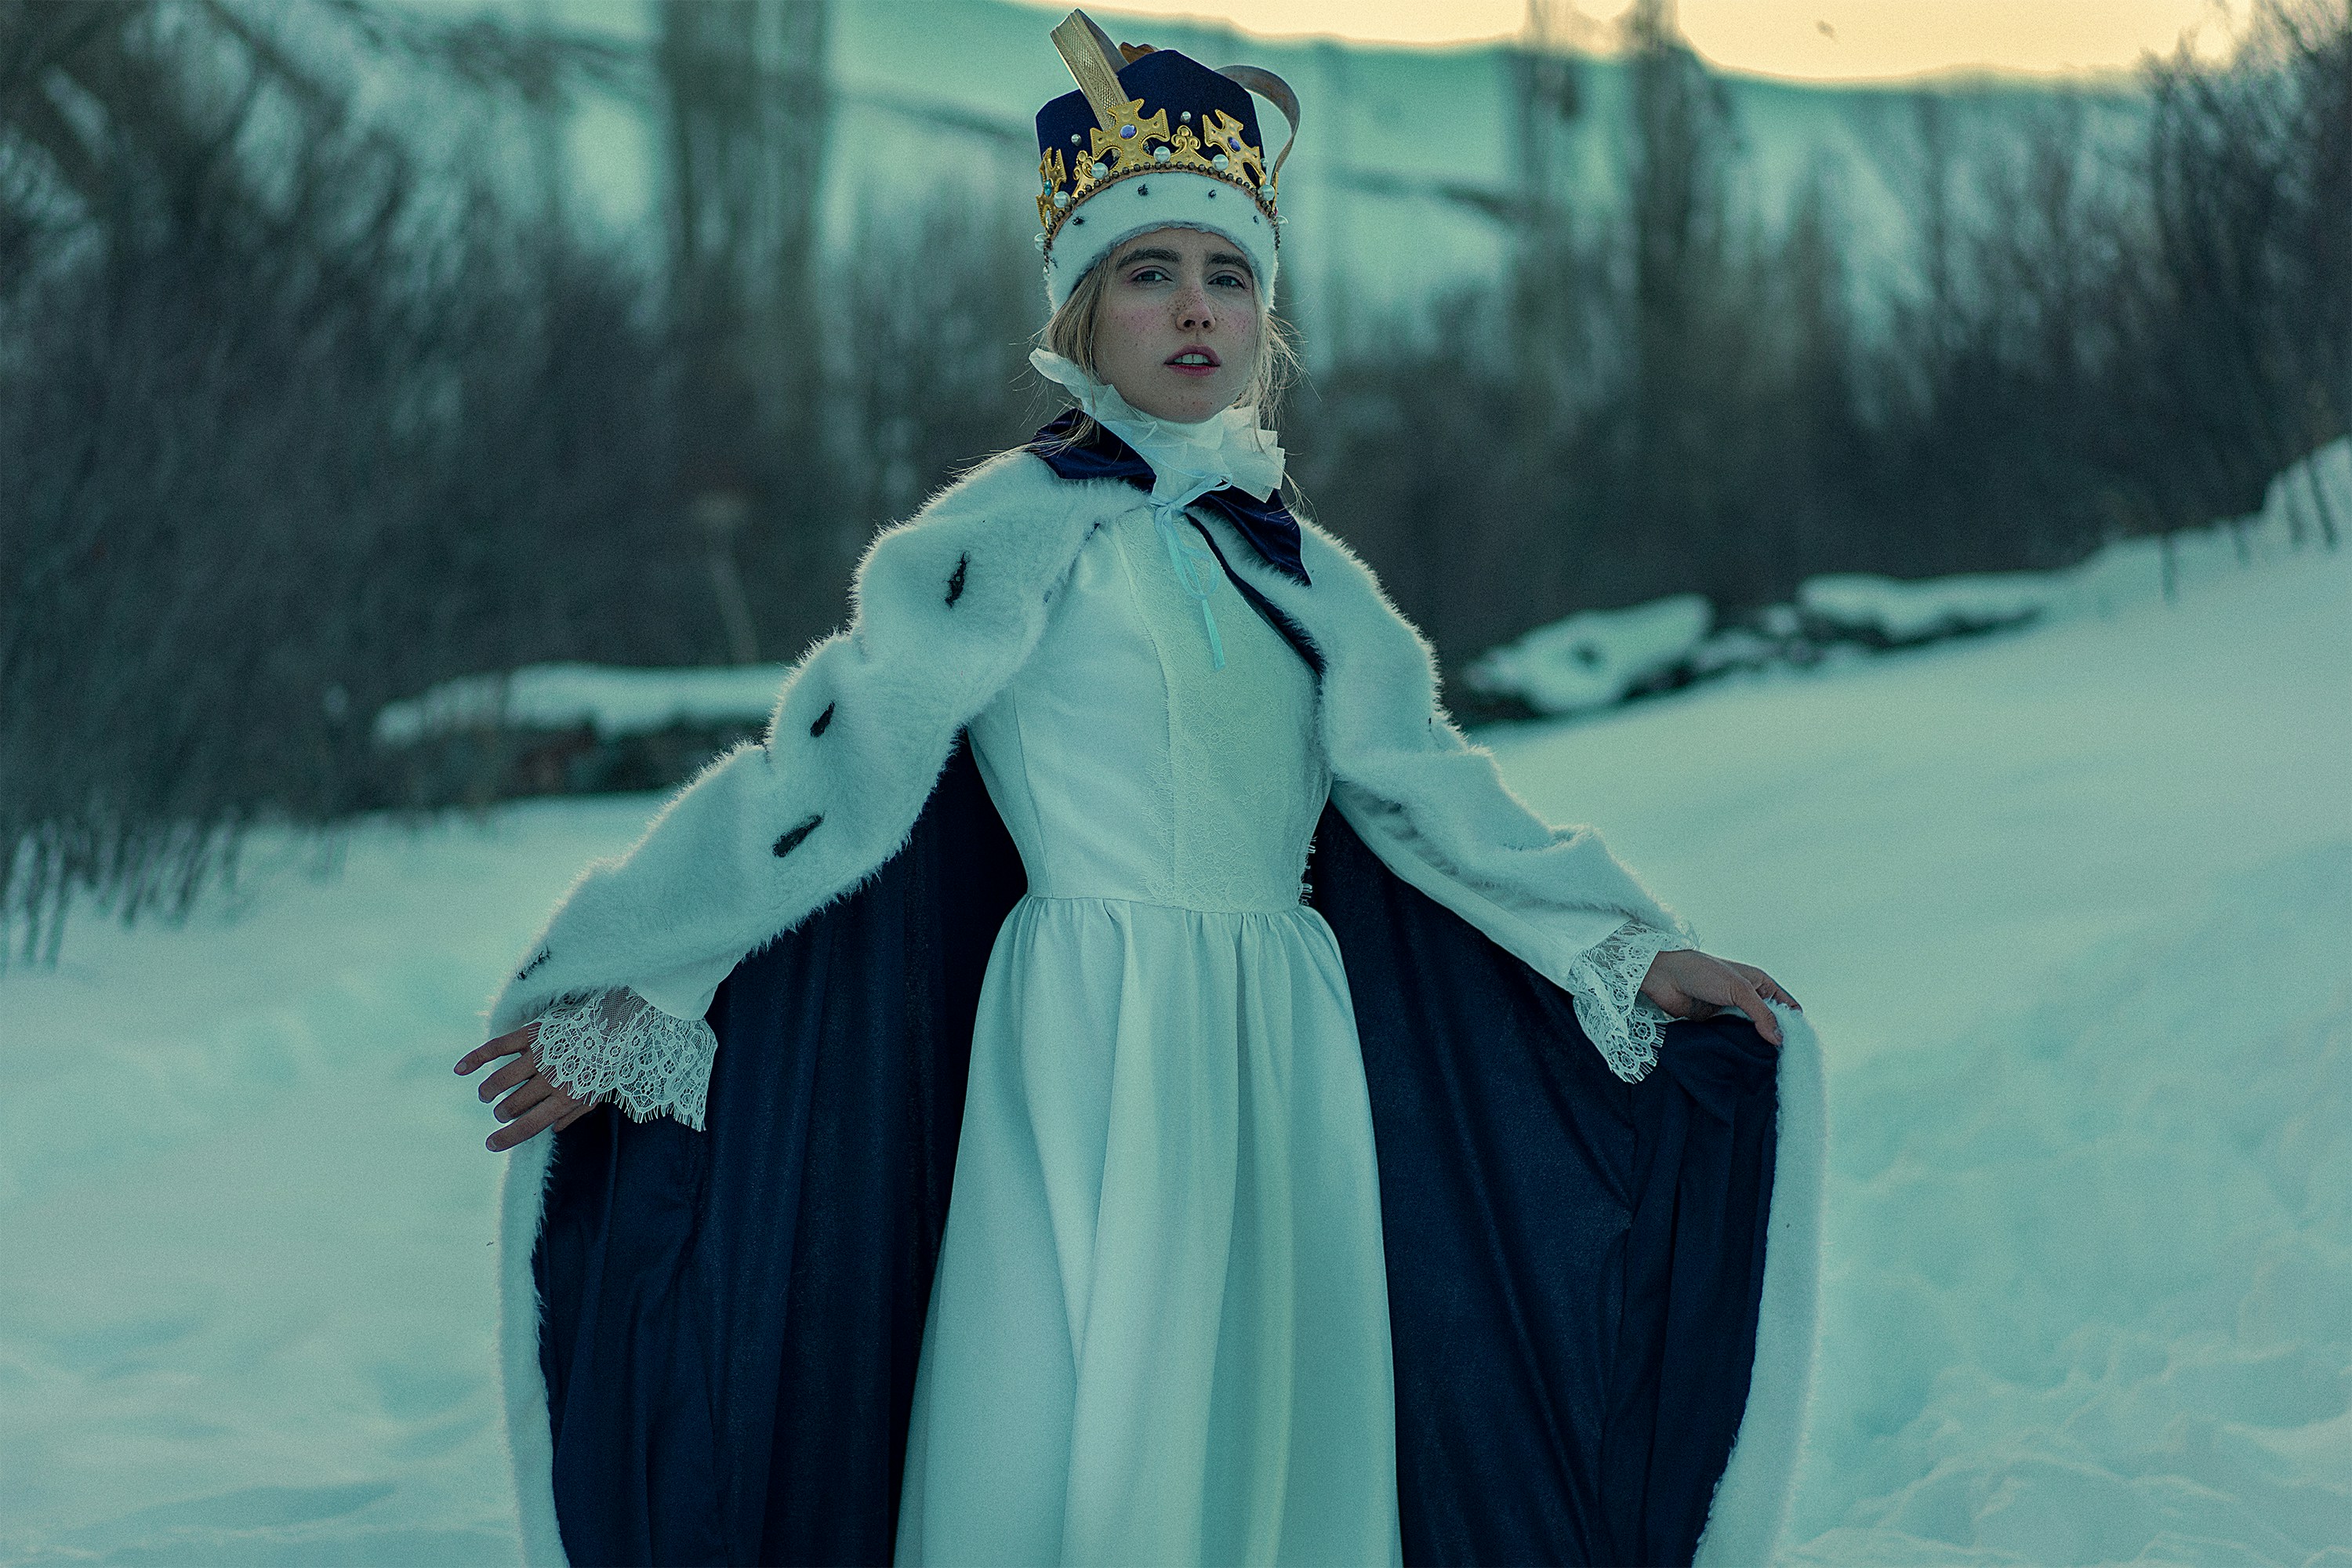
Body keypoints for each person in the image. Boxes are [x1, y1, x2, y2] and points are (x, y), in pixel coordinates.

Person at [456, 13, 1826, 1566]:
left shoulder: (1313, 580)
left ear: (1266, 317)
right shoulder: (1012, 530)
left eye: (1227, 273)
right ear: (1081, 311)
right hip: (1088, 1032)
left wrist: (1628, 950)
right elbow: (827, 771)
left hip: (1283, 1043)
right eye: (1149, 272)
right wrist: (647, 984)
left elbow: (1435, 801)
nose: (1194, 309)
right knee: (1072, 1416)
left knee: (1273, 1425)